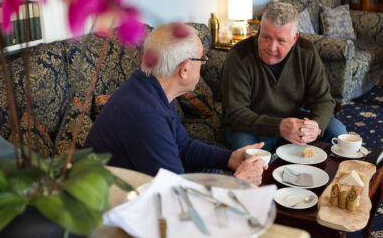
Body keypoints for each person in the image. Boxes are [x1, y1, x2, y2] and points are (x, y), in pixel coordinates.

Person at [85, 23, 266, 185]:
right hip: (113, 208)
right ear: (185, 69)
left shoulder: (151, 87)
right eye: (202, 60)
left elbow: (183, 146)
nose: (202, 66)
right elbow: (175, 196)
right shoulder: (146, 115)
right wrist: (239, 181)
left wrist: (230, 158)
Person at [221, 2, 347, 151]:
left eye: (281, 40)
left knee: (338, 134)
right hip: (250, 125)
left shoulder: (307, 51)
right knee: (249, 153)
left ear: (294, 38)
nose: (271, 47)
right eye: (266, 37)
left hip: (294, 117)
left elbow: (324, 100)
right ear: (259, 30)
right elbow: (235, 114)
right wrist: (280, 127)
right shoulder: (238, 56)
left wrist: (316, 126)